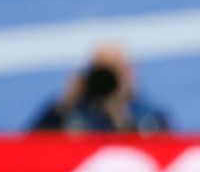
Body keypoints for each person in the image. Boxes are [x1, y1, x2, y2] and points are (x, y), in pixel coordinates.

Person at [29, 42, 170, 134]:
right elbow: (28, 150)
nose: (106, 81)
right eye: (101, 72)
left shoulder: (148, 117)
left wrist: (122, 116)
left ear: (129, 74)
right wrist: (64, 105)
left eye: (114, 73)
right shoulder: (69, 115)